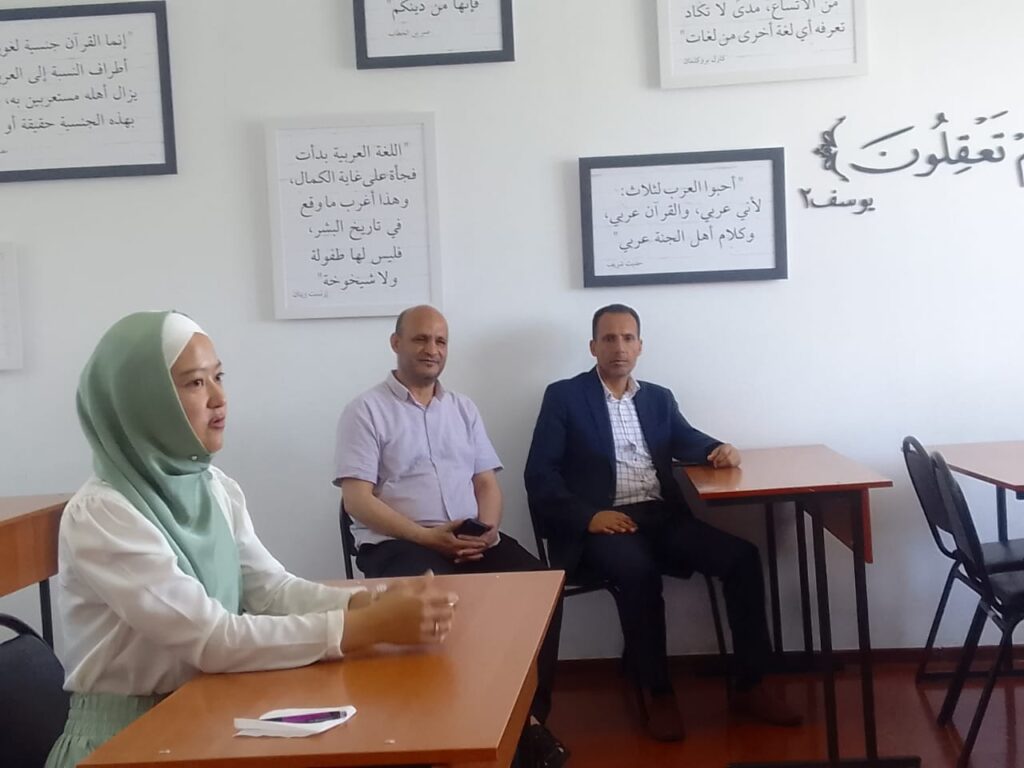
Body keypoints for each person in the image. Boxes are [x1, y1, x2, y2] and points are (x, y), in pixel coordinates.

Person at [45, 311, 455, 768]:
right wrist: (366, 628)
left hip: (209, 715)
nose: (219, 398)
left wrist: (367, 602)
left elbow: (269, 591)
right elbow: (211, 638)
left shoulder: (213, 487)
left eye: (218, 377)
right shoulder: (103, 513)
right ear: (144, 401)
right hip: (125, 742)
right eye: (195, 383)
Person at [524, 303, 801, 742]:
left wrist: (721, 448)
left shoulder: (657, 398)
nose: (619, 347)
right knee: (638, 573)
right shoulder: (564, 397)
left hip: (661, 516)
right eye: (609, 338)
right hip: (605, 521)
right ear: (593, 346)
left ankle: (751, 684)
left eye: (628, 338)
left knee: (742, 558)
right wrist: (589, 516)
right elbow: (539, 474)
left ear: (640, 346)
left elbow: (687, 439)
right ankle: (659, 692)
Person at [334, 305, 569, 768]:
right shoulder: (365, 411)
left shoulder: (463, 409)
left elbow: (486, 484)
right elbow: (357, 500)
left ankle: (527, 720)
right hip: (399, 544)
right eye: (421, 339)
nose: (432, 349)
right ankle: (447, 729)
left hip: (469, 537)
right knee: (440, 602)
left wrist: (487, 531)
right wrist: (427, 538)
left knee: (541, 588)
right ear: (396, 343)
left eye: (440, 341)